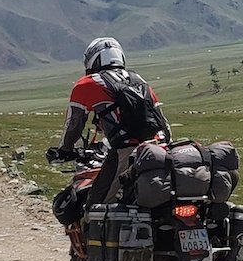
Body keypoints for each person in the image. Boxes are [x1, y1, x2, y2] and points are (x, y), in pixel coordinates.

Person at [47, 37, 171, 206]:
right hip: (159, 148)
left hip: (126, 152)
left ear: (92, 59)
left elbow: (74, 124)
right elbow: (162, 120)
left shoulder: (88, 84)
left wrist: (64, 150)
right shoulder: (139, 80)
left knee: (97, 204)